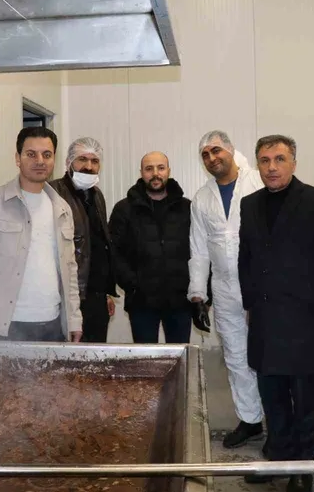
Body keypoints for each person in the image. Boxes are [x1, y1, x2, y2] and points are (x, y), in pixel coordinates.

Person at [239, 135, 314, 492]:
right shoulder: (250, 204)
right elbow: (246, 258)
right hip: (265, 320)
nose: (272, 167)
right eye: (264, 160)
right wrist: (250, 303)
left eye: (279, 159)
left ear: (293, 162)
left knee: (305, 402)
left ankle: (303, 466)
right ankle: (278, 457)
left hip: (306, 321)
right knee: (272, 397)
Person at [0, 127, 83, 342]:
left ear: (54, 159)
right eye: (31, 154)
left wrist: (73, 319)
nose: (40, 161)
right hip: (5, 327)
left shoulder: (61, 208)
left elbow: (70, 270)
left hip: (53, 324)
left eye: (47, 154)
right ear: (17, 158)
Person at [188, 130, 265, 448]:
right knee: (236, 357)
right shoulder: (202, 198)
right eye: (205, 154)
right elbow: (199, 250)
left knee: (269, 357)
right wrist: (197, 294)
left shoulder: (258, 181)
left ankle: (280, 423)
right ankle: (251, 420)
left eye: (216, 150)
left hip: (263, 288)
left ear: (231, 150)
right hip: (224, 289)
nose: (212, 158)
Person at [109, 151, 194, 344]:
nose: (155, 173)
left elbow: (199, 250)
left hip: (180, 300)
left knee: (179, 355)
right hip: (141, 302)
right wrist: (133, 284)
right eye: (149, 169)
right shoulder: (124, 209)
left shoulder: (187, 208)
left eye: (160, 168)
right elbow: (114, 252)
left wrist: (194, 286)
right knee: (146, 358)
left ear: (168, 171)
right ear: (141, 173)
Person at [50, 137, 117, 343]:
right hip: (68, 297)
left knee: (96, 355)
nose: (89, 166)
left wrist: (106, 292)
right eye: (82, 159)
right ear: (69, 162)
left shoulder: (97, 195)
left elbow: (99, 244)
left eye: (94, 161)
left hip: (96, 297)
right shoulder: (52, 193)